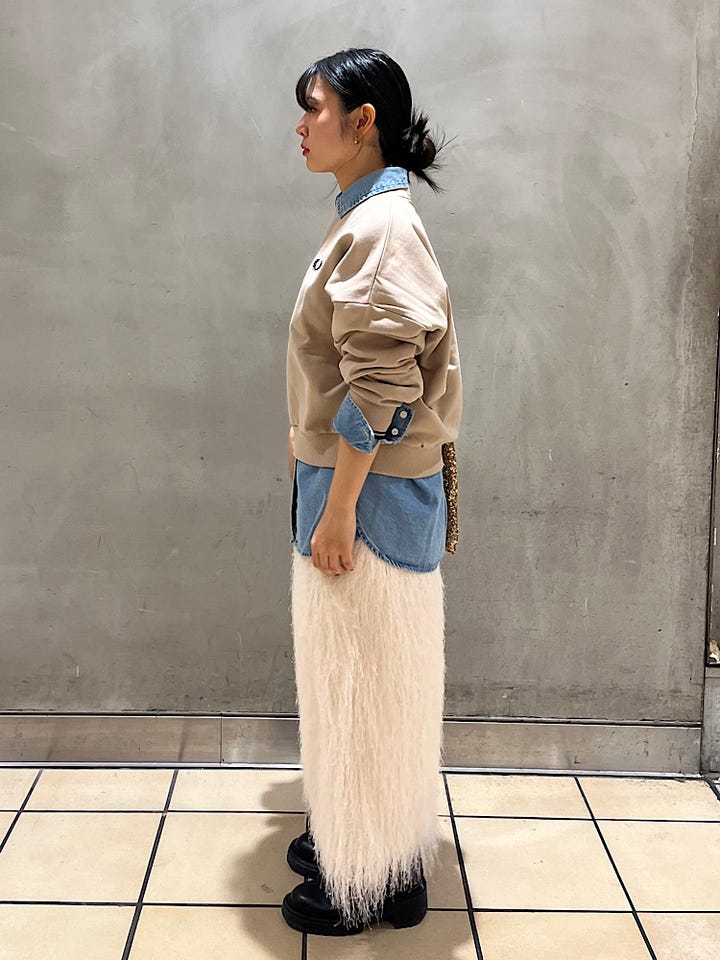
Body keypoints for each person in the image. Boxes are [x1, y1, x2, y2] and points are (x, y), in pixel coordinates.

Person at [281, 47, 463, 937]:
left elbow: (383, 387)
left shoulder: (381, 227)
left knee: (361, 685)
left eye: (313, 107)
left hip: (369, 503)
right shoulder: (366, 218)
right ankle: (380, 858)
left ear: (364, 122)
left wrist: (339, 509)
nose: (299, 125)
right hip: (365, 489)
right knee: (372, 681)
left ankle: (365, 879)